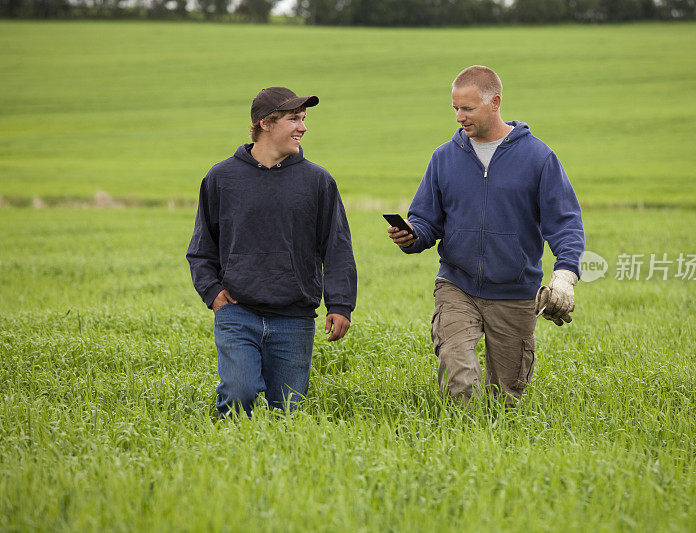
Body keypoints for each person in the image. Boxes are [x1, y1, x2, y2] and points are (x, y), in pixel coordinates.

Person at [388, 66, 584, 407]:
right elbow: (425, 220)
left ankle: (494, 450)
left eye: (468, 109)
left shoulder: (538, 158)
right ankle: (461, 443)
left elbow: (565, 222)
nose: (459, 117)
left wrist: (565, 276)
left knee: (505, 398)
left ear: (495, 102)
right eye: (455, 109)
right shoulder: (444, 158)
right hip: (457, 285)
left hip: (515, 292)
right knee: (458, 375)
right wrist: (412, 236)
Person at [187, 86, 357, 417]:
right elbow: (201, 247)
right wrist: (213, 293)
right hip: (238, 313)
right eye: (294, 119)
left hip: (294, 319)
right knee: (239, 394)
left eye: (304, 119)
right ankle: (229, 460)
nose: (303, 127)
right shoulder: (221, 178)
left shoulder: (318, 182)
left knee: (288, 412)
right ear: (266, 123)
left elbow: (337, 248)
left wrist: (340, 304)